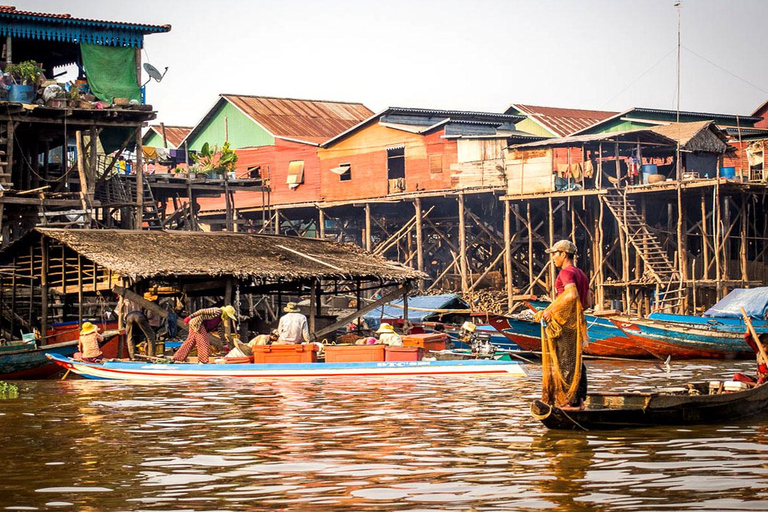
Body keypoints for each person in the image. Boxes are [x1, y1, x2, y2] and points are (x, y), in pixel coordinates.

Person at [534, 240, 590, 410]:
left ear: (564, 254)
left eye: (554, 254)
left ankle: (568, 403)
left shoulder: (566, 272)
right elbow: (587, 301)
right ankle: (579, 401)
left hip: (565, 326)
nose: (552, 259)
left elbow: (572, 294)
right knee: (576, 361)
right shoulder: (581, 274)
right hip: (576, 325)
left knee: (565, 362)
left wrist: (550, 311)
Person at [173, 305, 237, 363]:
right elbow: (202, 311)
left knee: (190, 342)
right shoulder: (217, 311)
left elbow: (221, 332)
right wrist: (189, 317)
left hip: (199, 325)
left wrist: (225, 345)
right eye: (228, 316)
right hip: (198, 323)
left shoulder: (220, 320)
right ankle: (203, 361)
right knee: (204, 342)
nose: (228, 318)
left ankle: (178, 358)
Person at [121, 294, 157, 360]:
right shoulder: (147, 304)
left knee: (129, 337)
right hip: (139, 317)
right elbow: (149, 316)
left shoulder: (137, 301)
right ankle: (151, 356)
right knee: (151, 335)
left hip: (129, 317)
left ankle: (133, 357)